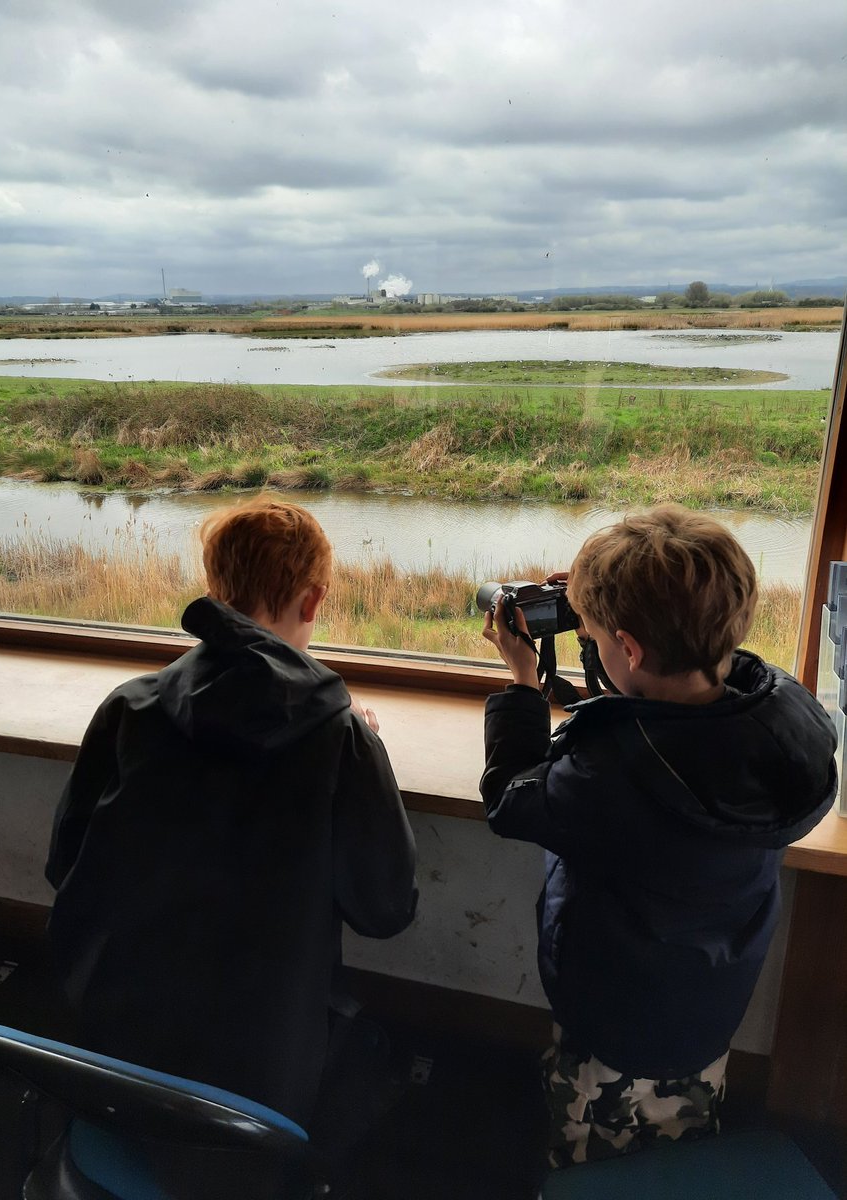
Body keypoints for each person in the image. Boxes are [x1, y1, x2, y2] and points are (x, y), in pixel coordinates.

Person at [46, 497, 418, 1135]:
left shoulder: (130, 710)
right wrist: (367, 743)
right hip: (258, 1083)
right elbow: (385, 911)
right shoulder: (339, 740)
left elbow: (64, 868)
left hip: (110, 1054)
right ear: (313, 602)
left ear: (216, 590)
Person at [480, 504, 836, 1169]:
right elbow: (664, 678)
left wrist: (523, 683)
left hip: (613, 1018)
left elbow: (511, 802)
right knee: (680, 1137)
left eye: (600, 634)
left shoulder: (615, 776)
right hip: (708, 1005)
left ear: (632, 648)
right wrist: (608, 627)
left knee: (593, 1156)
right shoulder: (784, 719)